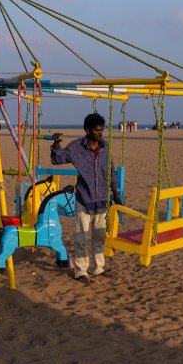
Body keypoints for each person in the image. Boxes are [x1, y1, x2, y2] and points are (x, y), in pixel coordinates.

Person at [51, 113, 121, 284]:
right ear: (87, 130)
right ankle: (81, 271)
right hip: (84, 198)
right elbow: (57, 159)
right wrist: (56, 143)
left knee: (99, 236)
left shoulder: (105, 148)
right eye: (97, 130)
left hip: (101, 200)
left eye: (102, 130)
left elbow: (111, 174)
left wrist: (116, 196)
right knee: (82, 236)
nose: (100, 133)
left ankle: (98, 268)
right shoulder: (76, 148)